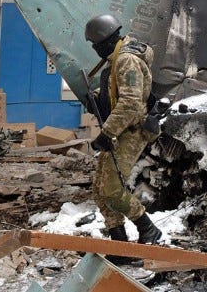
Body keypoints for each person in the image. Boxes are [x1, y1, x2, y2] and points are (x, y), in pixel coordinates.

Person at [84, 13, 163, 245]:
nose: (95, 49)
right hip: (121, 130)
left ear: (103, 41)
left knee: (110, 189)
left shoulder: (126, 59)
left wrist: (106, 133)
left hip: (130, 131)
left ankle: (148, 228)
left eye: (95, 45)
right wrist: (98, 99)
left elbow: (130, 102)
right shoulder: (117, 57)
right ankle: (119, 240)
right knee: (100, 190)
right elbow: (117, 91)